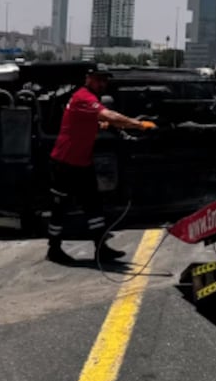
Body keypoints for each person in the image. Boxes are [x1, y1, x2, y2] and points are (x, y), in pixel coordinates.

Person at [46, 64, 156, 265]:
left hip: (82, 162)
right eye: (98, 79)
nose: (102, 83)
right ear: (88, 79)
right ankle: (53, 249)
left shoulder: (90, 99)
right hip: (65, 163)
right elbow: (109, 115)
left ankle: (101, 247)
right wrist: (138, 124)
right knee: (60, 207)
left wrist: (102, 125)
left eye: (105, 80)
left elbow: (95, 120)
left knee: (93, 205)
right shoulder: (83, 97)